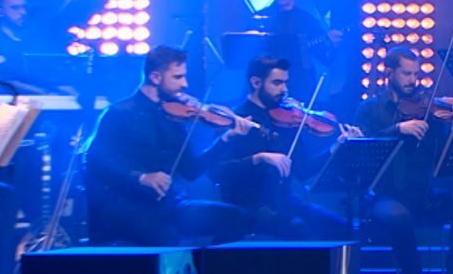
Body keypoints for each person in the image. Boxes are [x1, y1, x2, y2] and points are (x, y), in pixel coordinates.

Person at [83, 46, 252, 246]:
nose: (185, 84)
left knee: (236, 218)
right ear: (155, 77)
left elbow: (191, 170)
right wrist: (141, 177)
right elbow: (93, 161)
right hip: (128, 205)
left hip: (170, 205)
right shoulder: (119, 113)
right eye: (178, 77)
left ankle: (207, 265)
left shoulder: (174, 116)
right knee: (166, 237)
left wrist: (227, 138)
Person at [354, 47, 453, 274]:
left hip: (423, 195)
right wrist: (398, 128)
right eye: (406, 74)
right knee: (397, 215)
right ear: (390, 72)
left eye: (416, 74)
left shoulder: (429, 110)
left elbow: (443, 158)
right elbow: (363, 148)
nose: (413, 80)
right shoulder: (369, 109)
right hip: (384, 196)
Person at [208, 55, 354, 240]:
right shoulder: (237, 119)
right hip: (249, 204)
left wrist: (336, 146)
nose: (284, 89)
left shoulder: (288, 119)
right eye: (277, 83)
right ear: (256, 82)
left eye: (285, 83)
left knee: (342, 228)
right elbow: (216, 172)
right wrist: (258, 158)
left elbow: (303, 170)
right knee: (298, 229)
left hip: (283, 199)